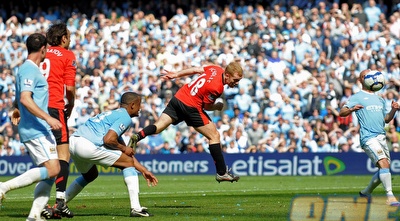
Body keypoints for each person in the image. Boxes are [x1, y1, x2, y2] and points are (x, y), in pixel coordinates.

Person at [130, 61, 242, 182]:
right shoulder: (217, 87)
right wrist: (217, 106)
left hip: (179, 97)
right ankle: (222, 172)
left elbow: (196, 69)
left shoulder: (215, 68)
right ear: (227, 75)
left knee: (158, 126)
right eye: (235, 80)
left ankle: (137, 136)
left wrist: (176, 74)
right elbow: (207, 106)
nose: (236, 83)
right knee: (214, 136)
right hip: (191, 106)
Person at [63, 92, 157, 217]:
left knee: (90, 175)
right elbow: (109, 140)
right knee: (127, 164)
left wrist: (143, 170)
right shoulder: (125, 118)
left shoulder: (113, 114)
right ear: (133, 105)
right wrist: (124, 148)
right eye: (140, 104)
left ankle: (60, 203)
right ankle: (136, 208)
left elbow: (124, 153)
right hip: (87, 145)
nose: (140, 108)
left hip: (73, 142)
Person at [0, 33, 63, 221]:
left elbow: (20, 98)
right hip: (37, 128)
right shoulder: (30, 70)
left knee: (50, 174)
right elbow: (25, 98)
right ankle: (3, 187)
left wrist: (15, 108)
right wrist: (48, 118)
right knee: (53, 169)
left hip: (38, 127)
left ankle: (35, 215)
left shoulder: (26, 69)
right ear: (43, 49)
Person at [339, 68, 400, 206]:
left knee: (384, 168)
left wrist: (394, 110)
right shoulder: (357, 96)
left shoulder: (380, 99)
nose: (371, 77)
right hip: (368, 137)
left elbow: (385, 119)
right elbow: (341, 112)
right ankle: (390, 197)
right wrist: (351, 109)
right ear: (361, 80)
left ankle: (365, 193)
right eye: (366, 75)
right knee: (383, 163)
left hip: (381, 137)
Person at [40, 21, 77, 218]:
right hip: (55, 107)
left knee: (46, 158)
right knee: (63, 156)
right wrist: (70, 104)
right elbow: (69, 89)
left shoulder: (42, 52)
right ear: (63, 38)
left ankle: (43, 205)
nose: (70, 40)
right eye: (69, 37)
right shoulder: (68, 55)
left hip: (37, 108)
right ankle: (60, 201)